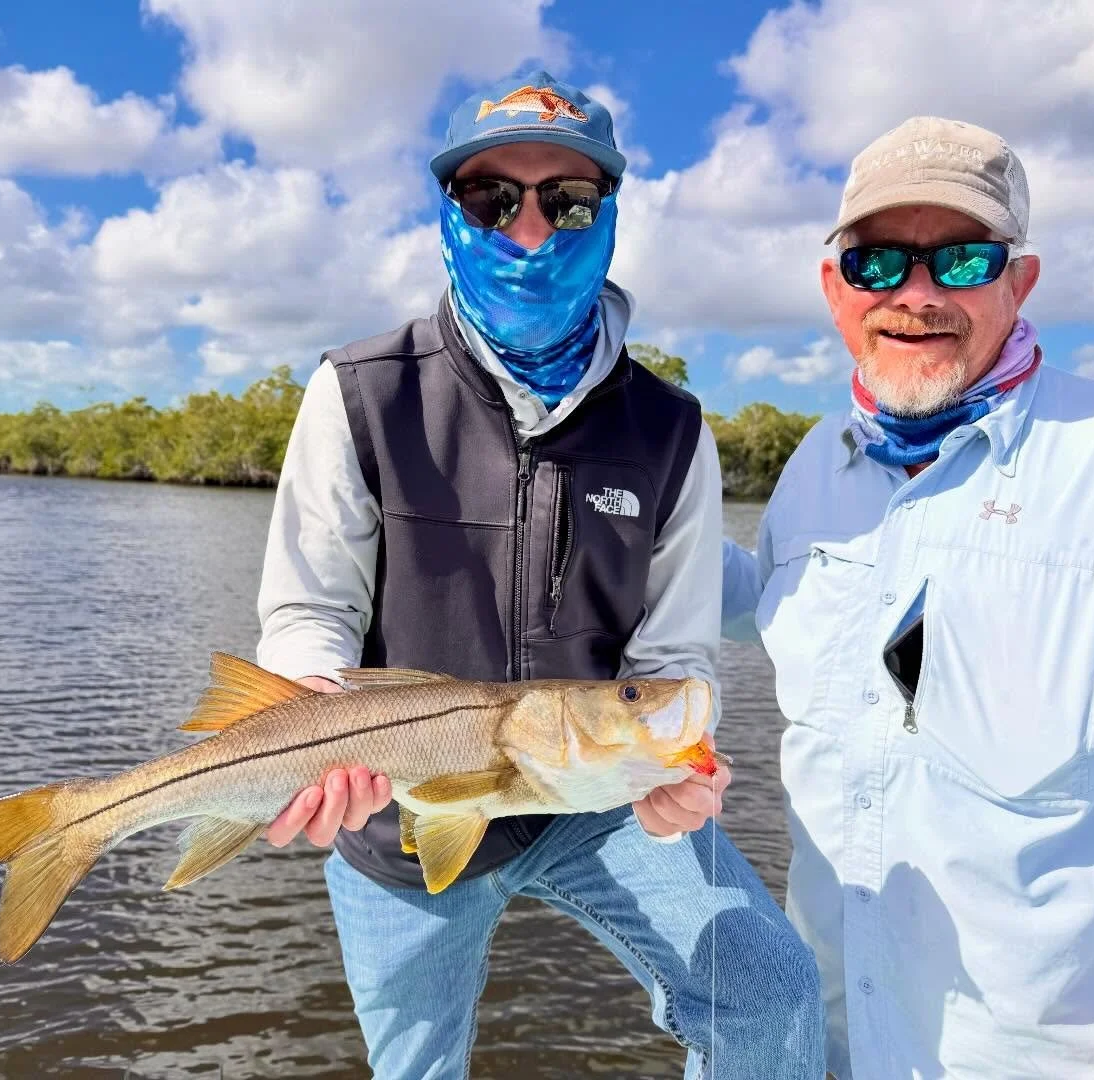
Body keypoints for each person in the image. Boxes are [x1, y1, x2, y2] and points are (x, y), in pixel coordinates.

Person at [252, 71, 824, 1080]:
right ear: (449, 213)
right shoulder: (359, 393)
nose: (528, 229)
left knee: (769, 996)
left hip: (598, 800)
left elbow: (675, 657)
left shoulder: (672, 432)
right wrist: (310, 706)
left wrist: (674, 767)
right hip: (404, 806)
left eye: (568, 201)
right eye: (491, 198)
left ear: (608, 218)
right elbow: (311, 607)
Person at [722, 115, 1094, 1079]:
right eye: (877, 263)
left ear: (1020, 280)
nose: (918, 294)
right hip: (815, 1055)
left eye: (964, 259)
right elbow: (763, 608)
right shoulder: (815, 465)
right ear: (835, 288)